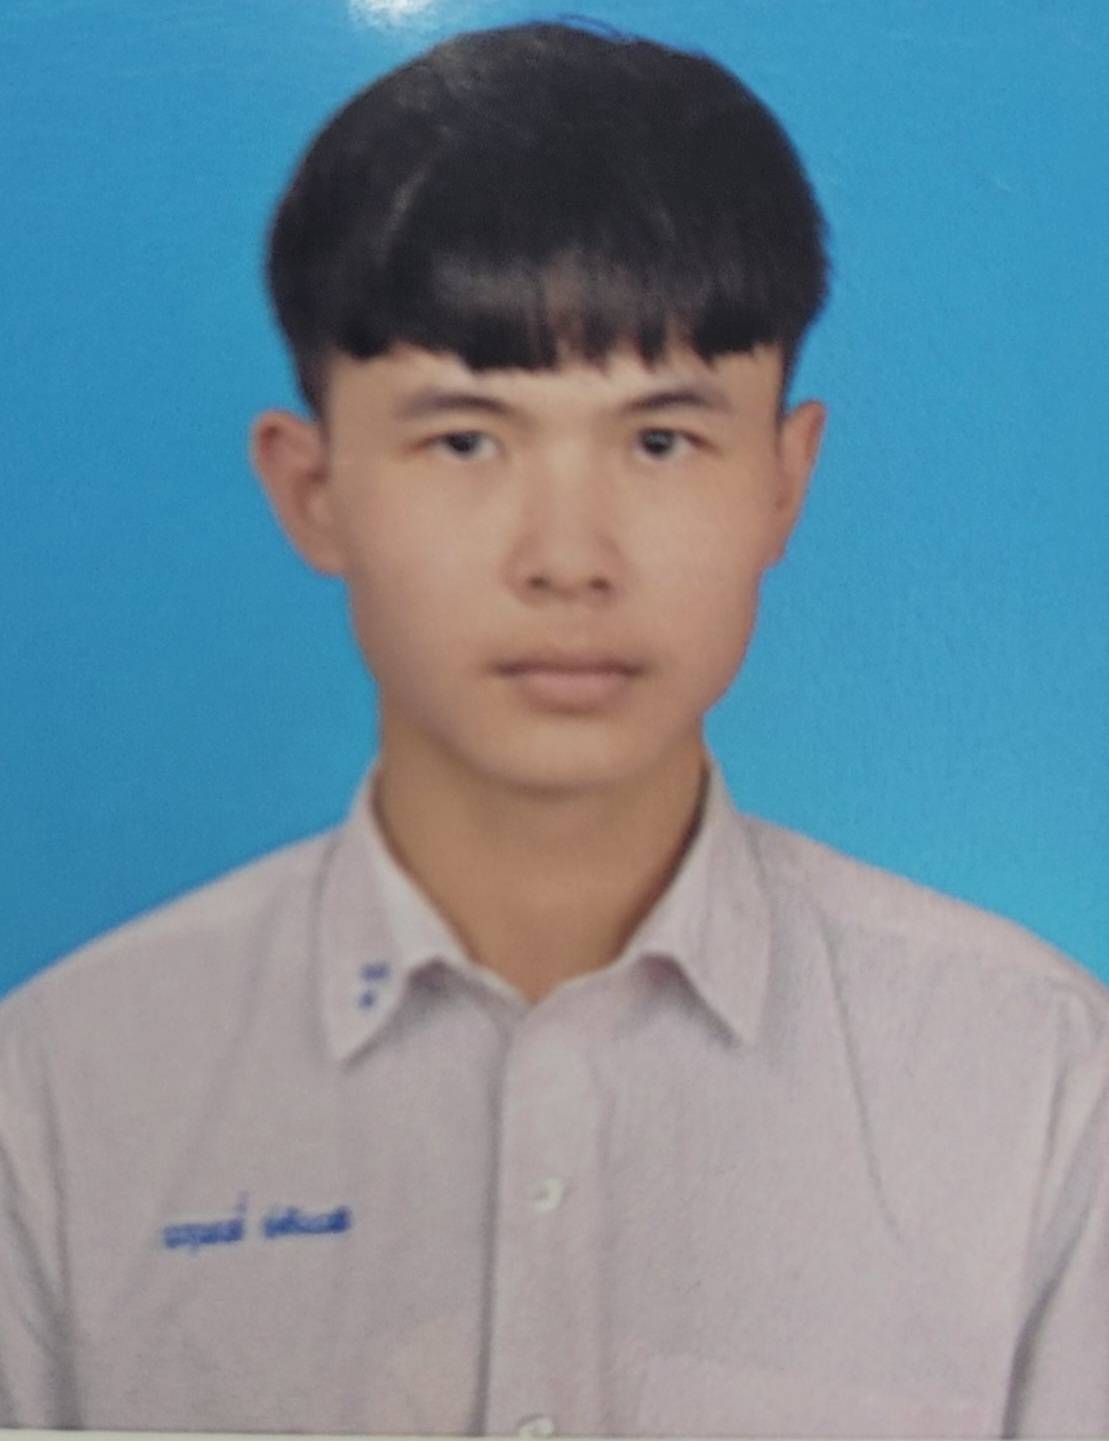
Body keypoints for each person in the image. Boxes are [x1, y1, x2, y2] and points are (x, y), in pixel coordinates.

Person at [1, 18, 1106, 1438]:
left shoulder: (1037, 1082)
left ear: (784, 480)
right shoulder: (57, 1097)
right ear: (312, 489)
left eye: (661, 440)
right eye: (465, 439)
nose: (569, 559)